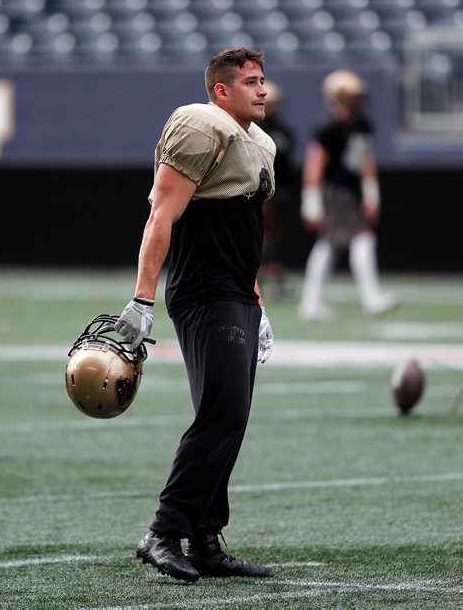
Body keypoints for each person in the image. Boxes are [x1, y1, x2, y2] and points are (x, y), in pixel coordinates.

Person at [115, 47, 276, 583]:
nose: (262, 89)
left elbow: (245, 234)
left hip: (236, 292)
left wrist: (257, 298)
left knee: (231, 416)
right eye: (250, 81)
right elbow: (161, 211)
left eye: (263, 80)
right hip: (204, 289)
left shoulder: (260, 142)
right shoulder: (200, 123)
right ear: (220, 90)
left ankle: (205, 538)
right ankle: (164, 531)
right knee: (222, 412)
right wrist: (142, 298)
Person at [298, 69, 397, 320]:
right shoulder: (328, 126)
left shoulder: (363, 123)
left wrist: (371, 193)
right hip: (336, 191)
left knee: (329, 244)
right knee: (360, 238)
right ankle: (372, 298)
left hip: (350, 191)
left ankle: (311, 302)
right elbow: (315, 163)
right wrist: (311, 200)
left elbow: (366, 159)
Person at [258, 80, 299, 300]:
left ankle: (272, 278)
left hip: (279, 191)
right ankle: (265, 279)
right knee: (263, 238)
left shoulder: (283, 130)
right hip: (260, 193)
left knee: (273, 237)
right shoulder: (253, 129)